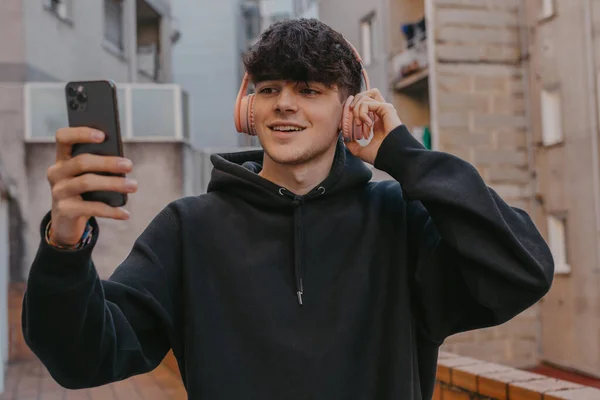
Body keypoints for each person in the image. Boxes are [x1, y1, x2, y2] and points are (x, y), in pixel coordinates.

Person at [22, 19, 554, 400]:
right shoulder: (188, 229)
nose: (283, 103)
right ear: (246, 109)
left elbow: (521, 271)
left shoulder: (401, 221)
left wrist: (404, 155)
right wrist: (65, 245)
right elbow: (82, 359)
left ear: (351, 110)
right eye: (269, 88)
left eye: (309, 89)